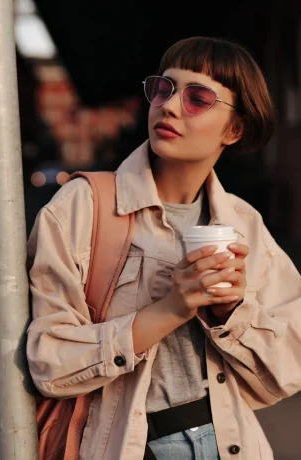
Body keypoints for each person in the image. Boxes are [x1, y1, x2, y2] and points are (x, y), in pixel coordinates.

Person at [26, 36, 301, 460]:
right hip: (129, 447)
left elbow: (285, 371)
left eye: (198, 98)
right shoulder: (82, 207)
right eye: (163, 88)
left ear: (234, 129)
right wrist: (173, 306)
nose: (169, 106)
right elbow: (48, 363)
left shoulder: (243, 224)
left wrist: (230, 313)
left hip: (229, 442)